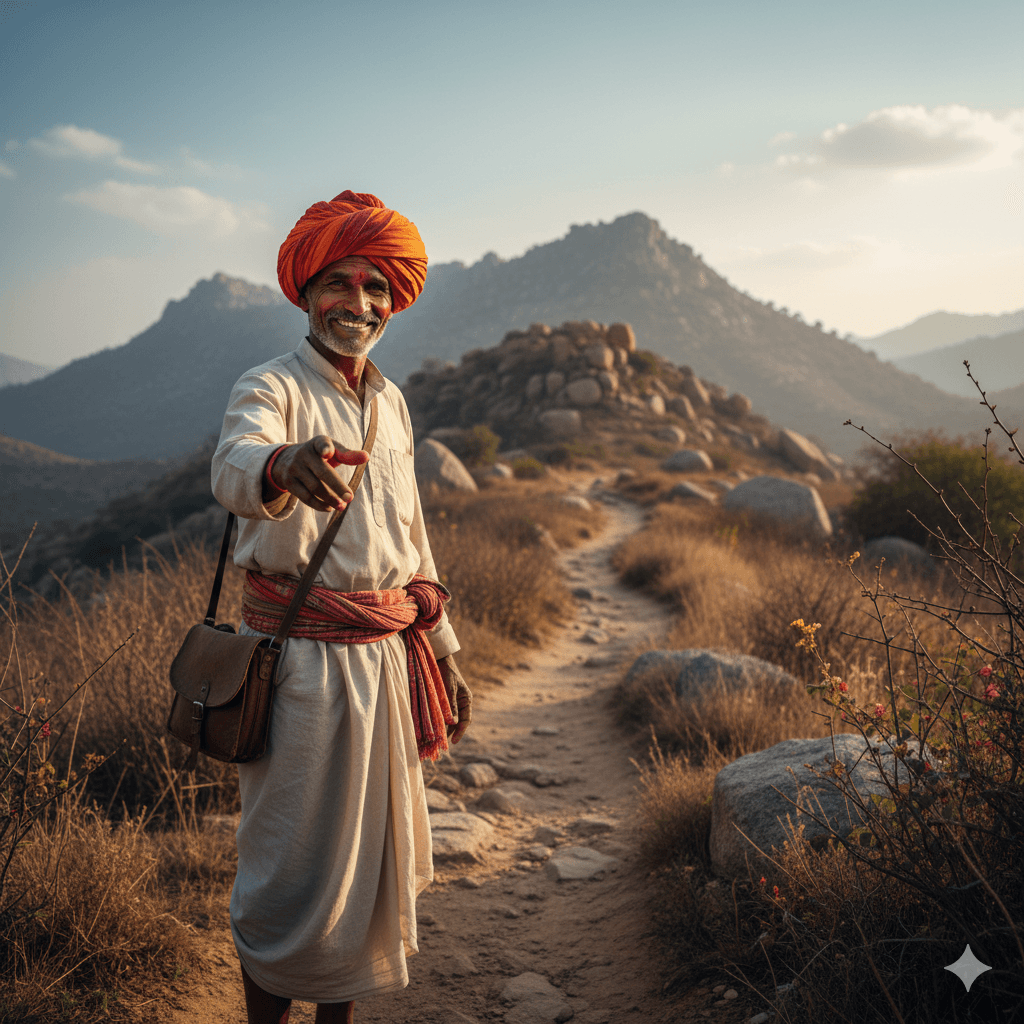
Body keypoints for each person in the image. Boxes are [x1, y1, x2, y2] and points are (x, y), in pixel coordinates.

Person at [211, 190, 472, 1024]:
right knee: (285, 868)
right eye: (339, 282)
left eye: (375, 287)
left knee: (367, 868)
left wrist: (444, 651)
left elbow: (412, 537)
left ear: (393, 300)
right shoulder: (270, 385)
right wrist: (282, 463)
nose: (358, 302)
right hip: (299, 662)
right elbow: (233, 461)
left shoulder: (390, 402)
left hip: (388, 657)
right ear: (306, 293)